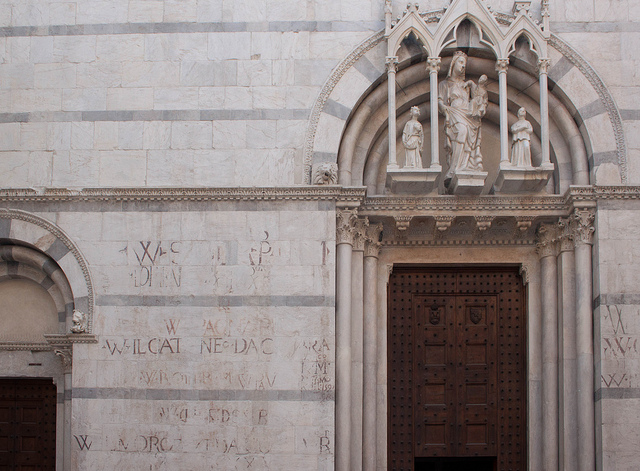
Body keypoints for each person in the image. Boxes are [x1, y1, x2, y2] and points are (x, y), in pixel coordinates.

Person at [438, 51, 485, 183]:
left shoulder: (467, 86)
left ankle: (466, 166)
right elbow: (440, 100)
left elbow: (479, 97)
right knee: (461, 132)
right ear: (453, 63)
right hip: (454, 112)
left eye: (465, 64)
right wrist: (444, 108)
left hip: (467, 114)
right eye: (461, 62)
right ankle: (454, 169)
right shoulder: (445, 84)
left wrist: (472, 84)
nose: (463, 66)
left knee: (468, 137)